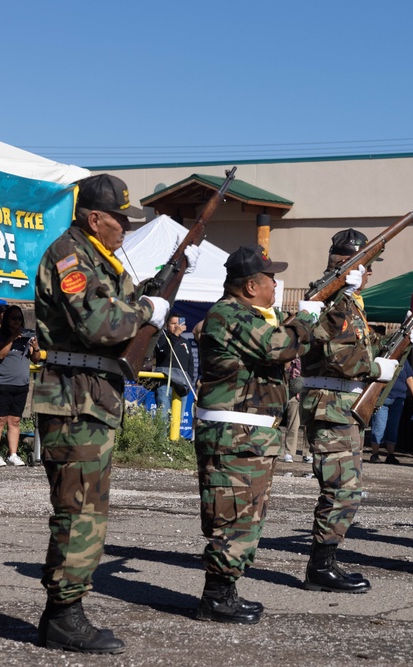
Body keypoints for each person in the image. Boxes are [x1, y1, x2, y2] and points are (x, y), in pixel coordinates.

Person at [32, 174, 170, 653]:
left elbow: (116, 314)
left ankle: (66, 612)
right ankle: (63, 617)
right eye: (120, 220)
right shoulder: (70, 256)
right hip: (73, 400)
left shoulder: (97, 258)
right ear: (94, 217)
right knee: (78, 511)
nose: (125, 229)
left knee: (88, 507)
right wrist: (147, 308)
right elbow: (97, 322)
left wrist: (145, 299)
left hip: (90, 399)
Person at [194, 244, 319, 623]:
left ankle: (225, 592)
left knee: (246, 519)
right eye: (271, 279)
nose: (277, 285)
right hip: (233, 436)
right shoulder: (228, 314)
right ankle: (215, 598)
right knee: (231, 518)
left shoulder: (250, 315)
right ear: (251, 286)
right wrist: (305, 319)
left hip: (250, 436)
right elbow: (279, 346)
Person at [299, 229, 413, 593]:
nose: (369, 276)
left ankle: (326, 561)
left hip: (343, 407)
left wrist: (397, 343)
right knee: (341, 489)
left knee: (346, 490)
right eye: (367, 268)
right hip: (330, 404)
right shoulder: (327, 300)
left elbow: (357, 345)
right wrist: (374, 369)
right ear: (351, 267)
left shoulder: (349, 301)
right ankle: (319, 568)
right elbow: (339, 355)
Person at [0, 304, 42, 467]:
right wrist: (11, 338)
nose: (17, 321)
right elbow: (0, 354)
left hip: (21, 384)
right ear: (7, 320)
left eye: (20, 319)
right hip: (2, 383)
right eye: (14, 318)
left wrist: (36, 348)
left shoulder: (27, 336)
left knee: (15, 420)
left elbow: (35, 359)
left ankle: (12, 454)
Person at [370, 360, 413, 464]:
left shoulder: (404, 360)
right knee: (379, 426)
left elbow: (409, 377)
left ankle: (390, 455)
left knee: (393, 427)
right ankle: (375, 454)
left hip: (398, 399)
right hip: (382, 397)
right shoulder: (383, 357)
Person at [154, 314, 193, 424]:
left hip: (181, 385)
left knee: (177, 419)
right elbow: (164, 352)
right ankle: (161, 441)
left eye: (178, 323)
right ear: (167, 325)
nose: (176, 326)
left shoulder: (186, 342)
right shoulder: (162, 338)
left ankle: (174, 441)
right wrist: (175, 335)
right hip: (165, 384)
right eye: (173, 324)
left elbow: (190, 364)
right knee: (163, 418)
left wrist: (189, 382)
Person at [281, 357, 303, 462]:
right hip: (287, 392)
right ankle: (286, 451)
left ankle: (305, 453)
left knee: (300, 425)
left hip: (302, 393)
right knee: (290, 424)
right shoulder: (288, 354)